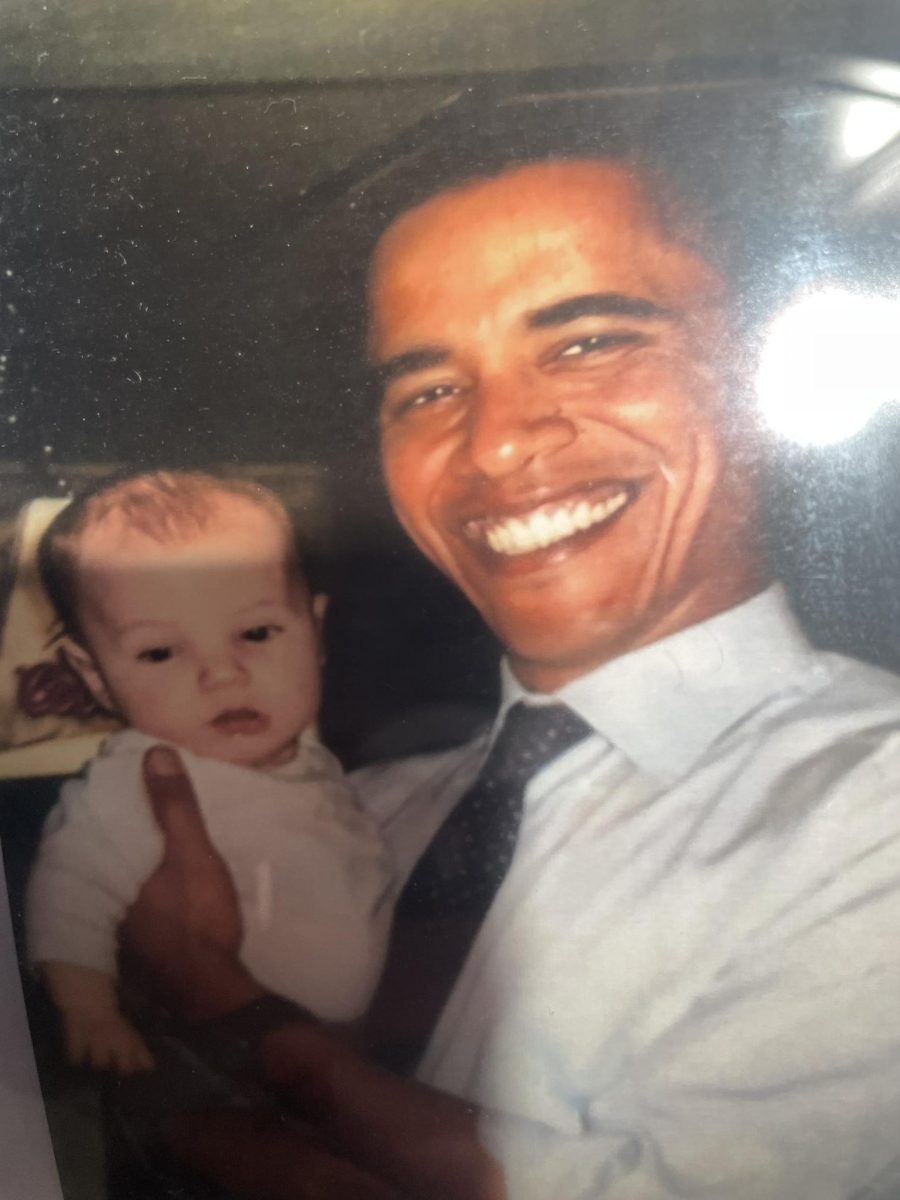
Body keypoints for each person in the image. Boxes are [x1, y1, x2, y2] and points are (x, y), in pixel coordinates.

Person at [122, 156, 900, 1199]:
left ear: (767, 377)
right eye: (430, 389)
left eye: (587, 343)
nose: (491, 445)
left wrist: (235, 1017)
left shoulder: (870, 806)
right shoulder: (367, 812)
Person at [27, 470, 392, 1074]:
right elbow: (68, 894)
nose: (222, 675)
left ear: (315, 631)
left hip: (334, 1049)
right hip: (217, 1063)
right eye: (161, 652)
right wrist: (90, 1012)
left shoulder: (315, 765)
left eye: (256, 633)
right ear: (93, 676)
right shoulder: (136, 781)